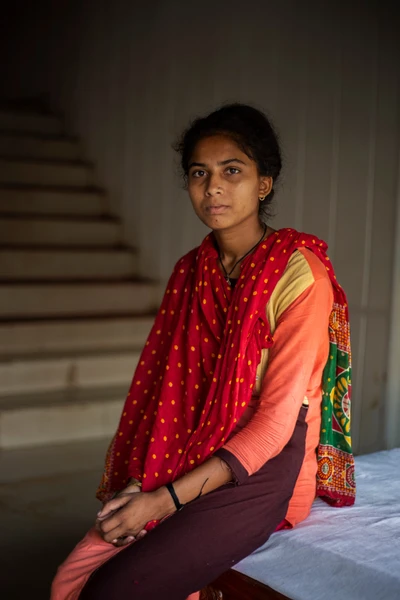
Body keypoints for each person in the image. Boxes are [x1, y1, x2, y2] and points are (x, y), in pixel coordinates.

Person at [51, 104, 355, 600]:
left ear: (264, 183)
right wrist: (140, 481)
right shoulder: (191, 271)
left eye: (231, 170)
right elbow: (163, 394)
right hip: (188, 444)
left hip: (265, 464)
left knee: (112, 590)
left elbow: (276, 425)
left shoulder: (299, 275)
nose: (213, 187)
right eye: (200, 173)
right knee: (76, 571)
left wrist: (160, 502)